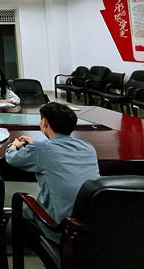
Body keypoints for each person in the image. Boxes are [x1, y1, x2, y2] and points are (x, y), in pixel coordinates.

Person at [5, 102, 99, 242]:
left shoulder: (40, 149)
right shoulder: (88, 148)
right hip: (91, 225)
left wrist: (13, 146)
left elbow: (12, 158)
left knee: (24, 208)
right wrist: (36, 145)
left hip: (60, 228)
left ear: (44, 122)